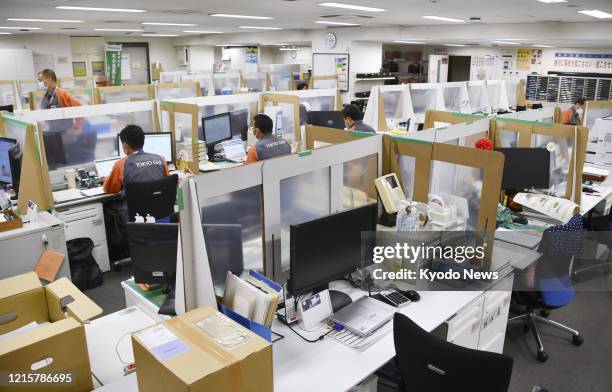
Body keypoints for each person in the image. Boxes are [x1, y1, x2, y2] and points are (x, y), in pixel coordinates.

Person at [103, 125, 169, 194]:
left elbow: (109, 189)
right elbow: (167, 183)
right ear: (143, 141)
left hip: (135, 204)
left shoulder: (121, 164)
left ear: (125, 146)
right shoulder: (161, 159)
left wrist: (107, 179)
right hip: (160, 203)